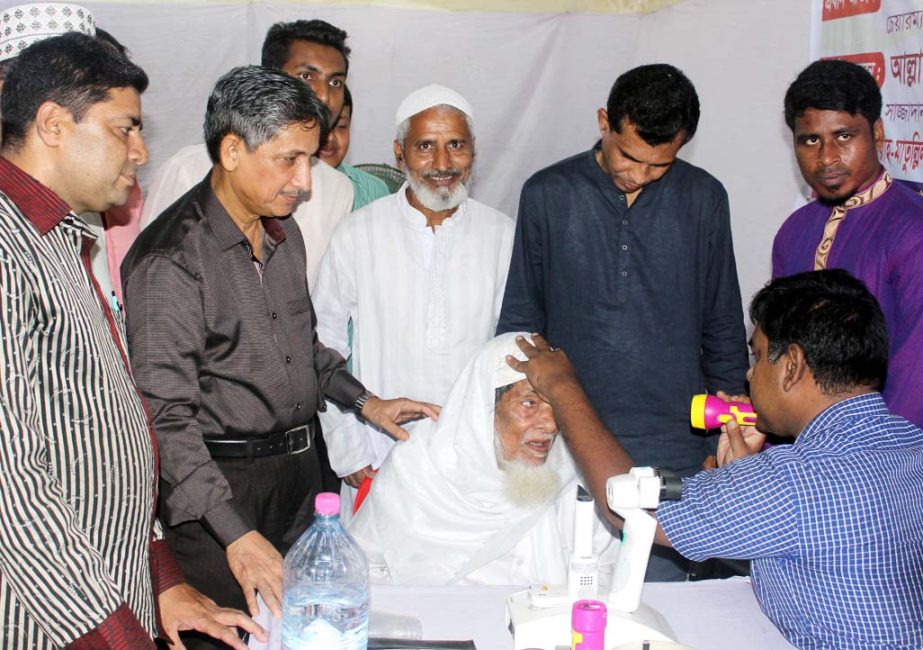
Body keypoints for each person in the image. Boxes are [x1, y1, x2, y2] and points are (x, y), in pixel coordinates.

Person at [122, 65, 438, 650]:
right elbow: (164, 419)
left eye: (311, 160)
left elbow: (303, 350)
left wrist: (367, 403)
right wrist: (235, 537)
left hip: (299, 481)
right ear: (233, 149)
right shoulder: (171, 259)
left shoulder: (280, 235)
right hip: (219, 499)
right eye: (289, 159)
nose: (306, 182)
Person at [0, 32, 262, 650]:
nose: (141, 151)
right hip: (46, 621)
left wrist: (162, 581)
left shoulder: (60, 237)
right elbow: (14, 490)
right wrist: (116, 637)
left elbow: (94, 436)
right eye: (125, 129)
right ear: (54, 124)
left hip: (110, 593)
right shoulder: (8, 249)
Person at [509, 270, 923, 649]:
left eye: (757, 356)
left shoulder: (792, 479)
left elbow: (627, 507)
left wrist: (563, 387)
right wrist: (740, 479)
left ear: (792, 366)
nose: (748, 375)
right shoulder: (911, 445)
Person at [496, 63, 748, 580]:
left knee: (660, 606)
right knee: (569, 597)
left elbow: (723, 328)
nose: (638, 173)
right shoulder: (547, 193)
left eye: (659, 165)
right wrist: (517, 422)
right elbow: (521, 322)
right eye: (628, 155)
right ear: (604, 121)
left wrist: (723, 442)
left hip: (676, 448)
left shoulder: (704, 199)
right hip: (568, 440)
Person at [313, 84, 515, 518]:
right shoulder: (358, 233)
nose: (443, 164)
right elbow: (322, 342)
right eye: (425, 147)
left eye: (456, 145)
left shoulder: (502, 235)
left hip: (474, 461)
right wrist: (347, 444)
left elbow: (514, 353)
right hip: (379, 455)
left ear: (473, 151)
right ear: (399, 154)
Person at [349, 333, 618, 585]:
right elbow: (359, 567)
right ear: (484, 407)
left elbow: (607, 568)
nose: (550, 425)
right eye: (530, 404)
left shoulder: (572, 473)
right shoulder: (419, 465)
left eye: (555, 407)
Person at [139, 18, 355, 289]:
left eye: (335, 82)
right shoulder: (189, 169)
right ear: (270, 77)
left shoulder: (338, 189)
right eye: (307, 76)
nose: (323, 95)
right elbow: (152, 281)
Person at [773, 59, 923, 428]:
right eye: (810, 140)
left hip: (890, 460)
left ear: (878, 133)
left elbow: (915, 374)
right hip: (803, 455)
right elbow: (779, 359)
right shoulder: (793, 231)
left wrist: (868, 461)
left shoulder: (912, 228)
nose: (826, 158)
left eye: (844, 136)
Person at [317, 85, 391, 210]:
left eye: (341, 126)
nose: (330, 138)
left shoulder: (373, 191)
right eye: (321, 125)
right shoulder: (282, 191)